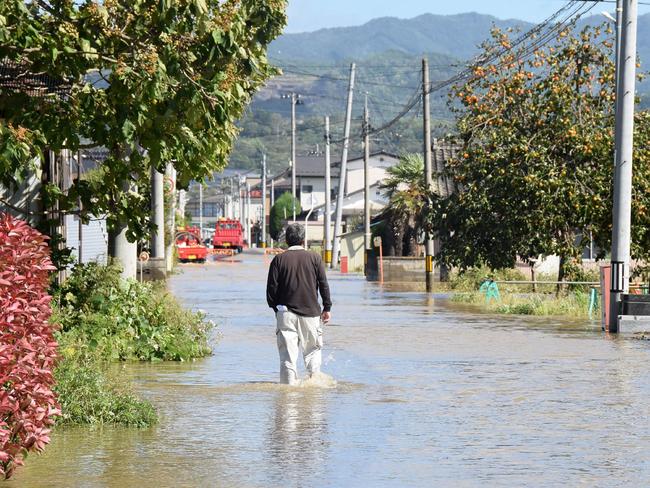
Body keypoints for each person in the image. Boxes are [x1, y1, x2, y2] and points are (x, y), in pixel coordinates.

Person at [266, 223, 332, 385]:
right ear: (303, 239)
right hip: (311, 313)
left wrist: (277, 310)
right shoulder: (315, 258)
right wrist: (327, 308)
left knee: (288, 358)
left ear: (287, 240)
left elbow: (271, 291)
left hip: (285, 313)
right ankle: (315, 391)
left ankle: (287, 397)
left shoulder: (278, 260)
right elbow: (323, 284)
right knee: (312, 353)